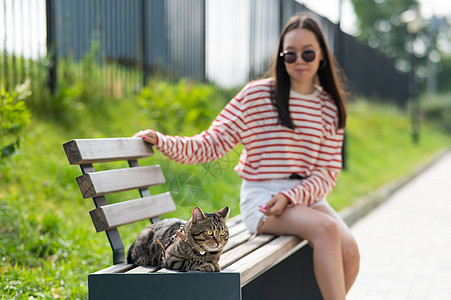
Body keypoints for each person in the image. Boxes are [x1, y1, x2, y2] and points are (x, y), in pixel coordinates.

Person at [134, 14, 359, 300]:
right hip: (263, 199)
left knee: (350, 251)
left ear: (322, 56)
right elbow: (210, 144)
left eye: (308, 53)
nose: (299, 60)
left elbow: (327, 173)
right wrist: (162, 141)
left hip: (307, 197)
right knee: (327, 229)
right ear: (281, 57)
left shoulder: (329, 107)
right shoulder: (256, 96)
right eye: (290, 54)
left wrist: (291, 197)